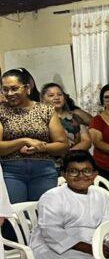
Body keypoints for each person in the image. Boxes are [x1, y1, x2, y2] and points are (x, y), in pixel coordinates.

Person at [0, 68, 68, 203]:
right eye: (5, 90)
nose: (9, 93)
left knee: (44, 210)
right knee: (16, 212)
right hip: (11, 171)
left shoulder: (46, 110)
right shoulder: (1, 111)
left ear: (27, 88)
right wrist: (24, 141)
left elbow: (63, 145)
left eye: (14, 89)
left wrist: (40, 147)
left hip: (44, 170)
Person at [41, 83, 92, 153]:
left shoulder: (75, 117)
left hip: (76, 156)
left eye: (60, 94)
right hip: (52, 158)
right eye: (51, 95)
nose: (57, 98)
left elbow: (86, 141)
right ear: (43, 99)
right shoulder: (40, 119)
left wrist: (69, 154)